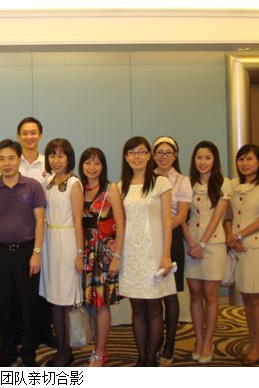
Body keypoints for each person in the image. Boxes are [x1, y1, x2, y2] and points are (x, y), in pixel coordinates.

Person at [0, 139, 46, 367]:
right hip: (0, 254)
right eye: (1, 159)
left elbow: (40, 222)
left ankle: (28, 353)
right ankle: (7, 353)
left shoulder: (33, 186)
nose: (6, 163)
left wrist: (36, 253)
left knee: (28, 306)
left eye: (11, 158)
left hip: (27, 253)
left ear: (19, 159)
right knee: (4, 306)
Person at [118, 136, 175, 367]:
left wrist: (166, 255)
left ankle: (152, 358)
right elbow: (120, 223)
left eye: (141, 152)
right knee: (137, 308)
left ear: (149, 155)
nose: (137, 157)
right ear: (126, 157)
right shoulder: (121, 186)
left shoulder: (161, 183)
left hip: (154, 252)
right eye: (132, 153)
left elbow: (167, 222)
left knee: (154, 308)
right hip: (130, 253)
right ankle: (142, 357)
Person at [182, 141, 231, 365]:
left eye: (207, 158)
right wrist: (192, 243)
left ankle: (208, 342)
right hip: (190, 244)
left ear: (215, 160)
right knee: (195, 294)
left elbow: (216, 217)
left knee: (211, 296)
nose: (203, 162)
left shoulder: (223, 183)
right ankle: (198, 339)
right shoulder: (186, 183)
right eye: (199, 157)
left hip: (213, 245)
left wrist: (201, 245)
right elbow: (182, 217)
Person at [38, 139, 84, 367]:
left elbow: (78, 220)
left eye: (61, 155)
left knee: (66, 300)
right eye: (52, 155)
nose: (56, 160)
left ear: (69, 158)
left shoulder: (74, 183)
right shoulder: (47, 182)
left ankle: (67, 351)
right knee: (54, 300)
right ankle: (61, 349)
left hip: (67, 243)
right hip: (49, 243)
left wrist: (80, 253)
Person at [79, 147, 125, 367]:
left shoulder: (110, 189)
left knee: (101, 303)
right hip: (85, 252)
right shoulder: (79, 188)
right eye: (88, 162)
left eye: (97, 163)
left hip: (104, 254)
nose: (92, 167)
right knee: (89, 303)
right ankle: (97, 345)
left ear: (103, 166)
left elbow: (121, 224)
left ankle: (99, 352)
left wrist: (117, 256)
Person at [224, 144, 259, 365]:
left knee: (256, 298)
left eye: (249, 159)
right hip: (237, 247)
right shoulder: (234, 185)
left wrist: (237, 236)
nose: (245, 163)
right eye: (241, 159)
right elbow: (228, 216)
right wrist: (229, 236)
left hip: (257, 247)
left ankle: (257, 344)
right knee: (247, 297)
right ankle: (252, 340)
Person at [16, 116, 56, 349]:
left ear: (40, 135)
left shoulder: (48, 163)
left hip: (47, 229)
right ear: (19, 136)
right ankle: (25, 331)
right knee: (24, 283)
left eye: (33, 133)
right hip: (21, 232)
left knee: (45, 280)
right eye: (25, 133)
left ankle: (45, 329)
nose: (29, 137)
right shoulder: (13, 161)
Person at [151, 136, 192, 365]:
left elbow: (182, 216)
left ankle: (170, 343)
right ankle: (155, 340)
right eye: (159, 152)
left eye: (168, 153)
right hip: (148, 240)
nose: (164, 157)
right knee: (153, 293)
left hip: (171, 238)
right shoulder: (147, 177)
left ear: (175, 156)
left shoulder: (183, 181)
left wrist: (161, 230)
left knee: (170, 293)